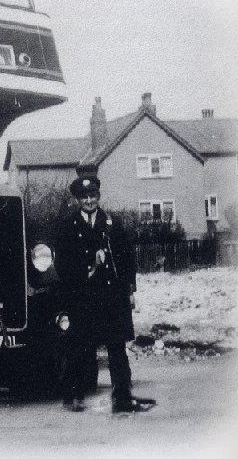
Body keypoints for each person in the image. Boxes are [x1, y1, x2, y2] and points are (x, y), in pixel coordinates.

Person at [55, 174, 155, 413]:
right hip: (83, 296)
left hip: (112, 296)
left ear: (98, 197)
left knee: (117, 348)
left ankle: (121, 398)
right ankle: (74, 396)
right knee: (78, 347)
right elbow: (62, 264)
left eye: (93, 196)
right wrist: (89, 265)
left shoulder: (112, 223)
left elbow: (127, 257)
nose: (89, 200)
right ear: (78, 200)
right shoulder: (68, 226)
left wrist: (130, 289)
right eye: (84, 197)